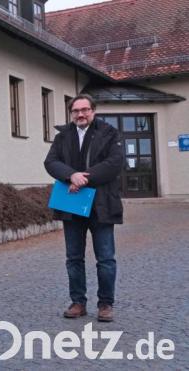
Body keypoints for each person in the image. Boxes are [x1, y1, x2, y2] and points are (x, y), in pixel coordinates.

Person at [44, 94, 123, 322]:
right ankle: (78, 302)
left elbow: (114, 163)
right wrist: (71, 175)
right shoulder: (63, 136)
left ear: (93, 111)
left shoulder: (109, 133)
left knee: (106, 259)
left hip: (102, 206)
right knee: (74, 258)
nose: (80, 114)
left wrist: (83, 179)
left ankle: (105, 304)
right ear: (71, 113)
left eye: (85, 110)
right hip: (72, 206)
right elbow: (51, 162)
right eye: (76, 110)